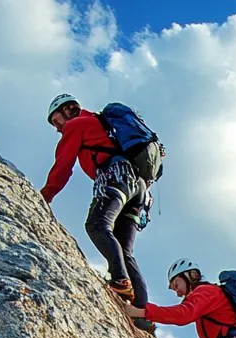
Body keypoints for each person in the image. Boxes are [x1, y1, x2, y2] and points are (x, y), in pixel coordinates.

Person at [40, 94, 161, 315]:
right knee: (125, 251)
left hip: (116, 176)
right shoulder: (102, 123)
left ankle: (120, 280)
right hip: (139, 190)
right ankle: (141, 313)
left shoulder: (77, 124)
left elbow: (63, 166)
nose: (58, 129)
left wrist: (45, 196)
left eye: (57, 121)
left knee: (97, 225)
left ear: (69, 109)